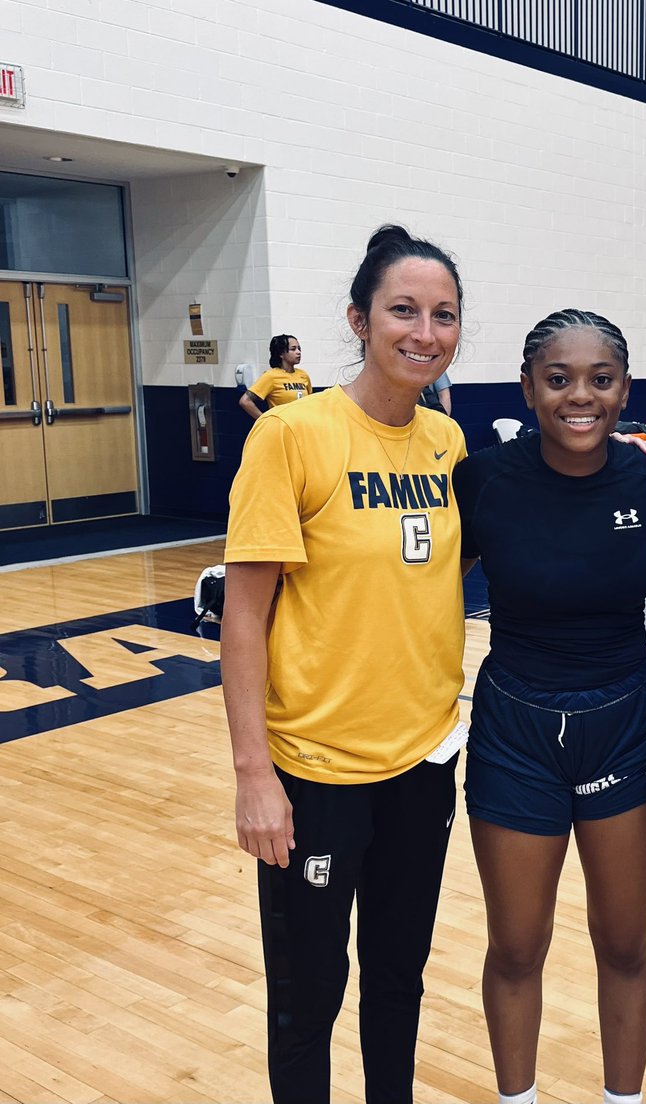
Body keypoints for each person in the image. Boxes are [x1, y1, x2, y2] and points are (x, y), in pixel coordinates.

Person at [221, 225, 467, 1104]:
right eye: (403, 311)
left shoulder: (447, 446)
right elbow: (243, 619)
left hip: (424, 763)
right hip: (315, 774)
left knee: (398, 983)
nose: (424, 332)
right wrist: (255, 774)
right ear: (359, 319)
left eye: (443, 315)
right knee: (307, 1001)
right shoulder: (292, 435)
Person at [453, 309, 646, 1104]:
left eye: (600, 379)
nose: (579, 396)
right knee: (515, 948)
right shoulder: (483, 479)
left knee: (623, 944)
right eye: (558, 379)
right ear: (527, 387)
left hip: (623, 726)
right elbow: (418, 594)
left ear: (625, 389)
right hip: (514, 729)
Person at [240, 333, 313, 419]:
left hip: (301, 425)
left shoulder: (303, 375)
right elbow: (245, 401)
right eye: (293, 349)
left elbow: (310, 403)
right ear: (281, 354)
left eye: (299, 349)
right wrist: (264, 420)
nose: (298, 352)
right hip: (282, 426)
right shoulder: (271, 376)